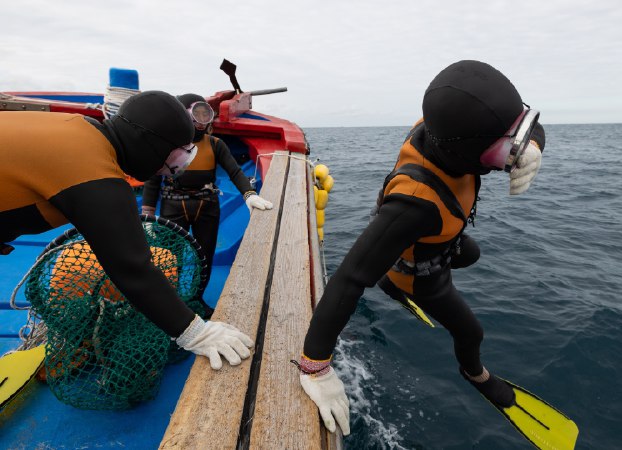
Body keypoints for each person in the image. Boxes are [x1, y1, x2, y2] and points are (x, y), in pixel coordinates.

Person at [296, 61, 576, 448]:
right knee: (471, 331)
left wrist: (533, 145)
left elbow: (520, 122)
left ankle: (396, 277)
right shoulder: (414, 204)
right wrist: (315, 367)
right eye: (506, 152)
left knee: (471, 253)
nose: (511, 157)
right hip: (422, 274)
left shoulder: (439, 127)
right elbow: (349, 278)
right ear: (467, 151)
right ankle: (474, 373)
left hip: (436, 240)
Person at [0, 91, 254, 371]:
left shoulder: (80, 126)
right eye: (176, 156)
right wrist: (196, 333)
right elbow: (132, 268)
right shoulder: (97, 175)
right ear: (150, 145)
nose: (171, 170)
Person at [141, 93, 272, 317]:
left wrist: (249, 194)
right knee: (171, 257)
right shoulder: (168, 145)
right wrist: (148, 214)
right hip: (173, 206)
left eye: (205, 114)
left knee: (205, 257)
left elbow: (234, 171)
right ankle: (171, 304)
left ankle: (196, 299)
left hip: (207, 205)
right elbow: (153, 179)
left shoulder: (215, 144)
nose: (201, 121)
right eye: (196, 115)